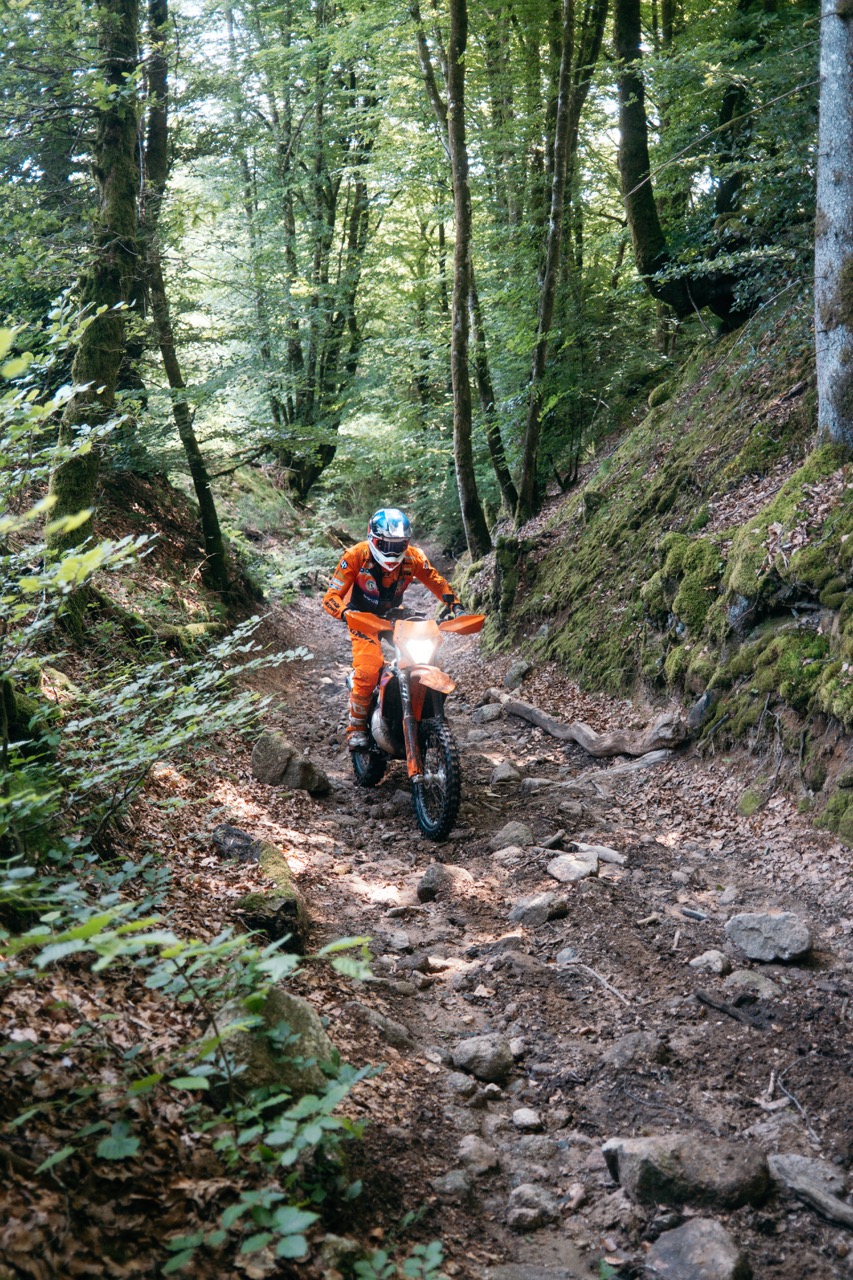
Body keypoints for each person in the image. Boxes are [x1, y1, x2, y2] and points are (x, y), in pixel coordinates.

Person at [323, 508, 463, 749]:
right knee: (368, 669)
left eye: (398, 545)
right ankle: (356, 726)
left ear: (406, 543)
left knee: (428, 659)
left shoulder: (413, 558)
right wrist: (346, 614)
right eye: (385, 545)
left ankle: (427, 717)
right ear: (373, 539)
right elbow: (330, 597)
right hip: (362, 619)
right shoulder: (355, 556)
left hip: (394, 616)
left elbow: (437, 581)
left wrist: (456, 606)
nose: (392, 551)